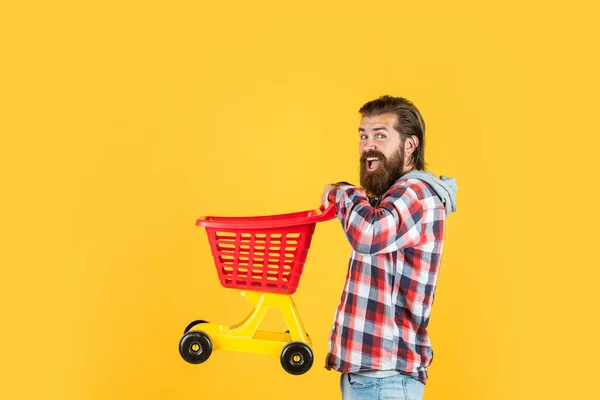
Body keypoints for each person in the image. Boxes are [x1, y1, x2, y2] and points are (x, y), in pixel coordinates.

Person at [321, 95, 457, 400]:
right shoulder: (393, 197)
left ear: (410, 145)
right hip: (372, 377)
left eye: (381, 135)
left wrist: (342, 192)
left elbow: (368, 234)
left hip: (386, 381)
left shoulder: (416, 192)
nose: (369, 144)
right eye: (363, 135)